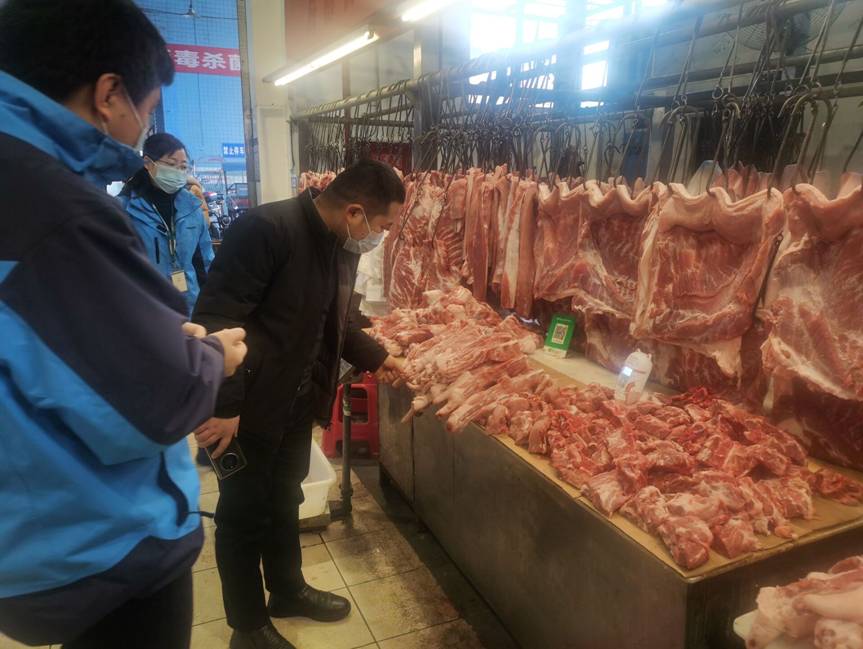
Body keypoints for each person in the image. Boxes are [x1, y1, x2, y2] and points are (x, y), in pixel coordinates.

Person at [0, 2, 248, 648]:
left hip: (32, 525)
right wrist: (213, 357)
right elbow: (159, 401)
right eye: (150, 108)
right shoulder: (53, 204)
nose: (147, 132)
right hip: (98, 542)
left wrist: (153, 331)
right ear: (109, 93)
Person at [193, 160, 407, 649]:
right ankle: (247, 627)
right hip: (245, 410)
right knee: (243, 516)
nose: (382, 235)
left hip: (295, 403)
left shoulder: (339, 246)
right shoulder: (266, 229)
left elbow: (337, 323)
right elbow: (217, 320)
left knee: (284, 500)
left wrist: (379, 358)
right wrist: (224, 406)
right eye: (384, 224)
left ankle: (287, 591)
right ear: (355, 212)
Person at [120, 133, 215, 315]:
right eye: (171, 165)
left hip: (189, 306)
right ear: (148, 163)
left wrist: (208, 307)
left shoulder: (192, 207)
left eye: (183, 167)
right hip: (144, 309)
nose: (178, 172)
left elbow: (205, 261)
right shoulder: (125, 209)